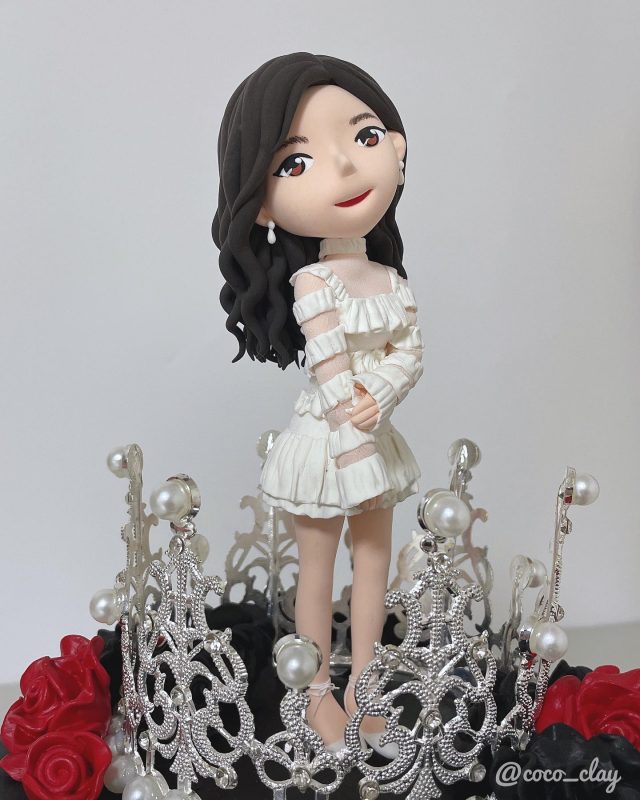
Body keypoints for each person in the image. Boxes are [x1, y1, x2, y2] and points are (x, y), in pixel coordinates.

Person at [212, 53, 424, 754]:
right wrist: (356, 425)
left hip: (374, 427)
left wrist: (382, 394)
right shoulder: (314, 284)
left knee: (374, 560)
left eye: (365, 137)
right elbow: (330, 367)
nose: (345, 166)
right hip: (329, 442)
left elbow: (409, 353)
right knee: (319, 566)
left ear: (397, 148)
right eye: (297, 162)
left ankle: (366, 683)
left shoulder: (390, 281)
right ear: (262, 203)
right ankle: (314, 693)